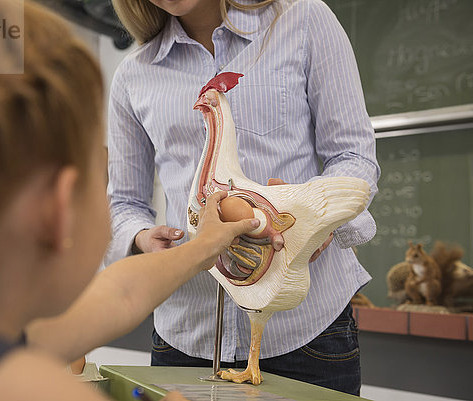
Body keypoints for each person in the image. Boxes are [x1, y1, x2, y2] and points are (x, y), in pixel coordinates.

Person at [0, 1, 260, 400]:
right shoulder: (24, 387)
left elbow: (122, 294)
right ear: (57, 208)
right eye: (100, 170)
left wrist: (204, 247)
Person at [106, 0, 380, 395]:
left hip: (306, 333)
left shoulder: (302, 20)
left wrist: (318, 227)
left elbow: (353, 156)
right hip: (186, 335)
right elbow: (124, 204)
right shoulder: (134, 74)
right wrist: (141, 237)